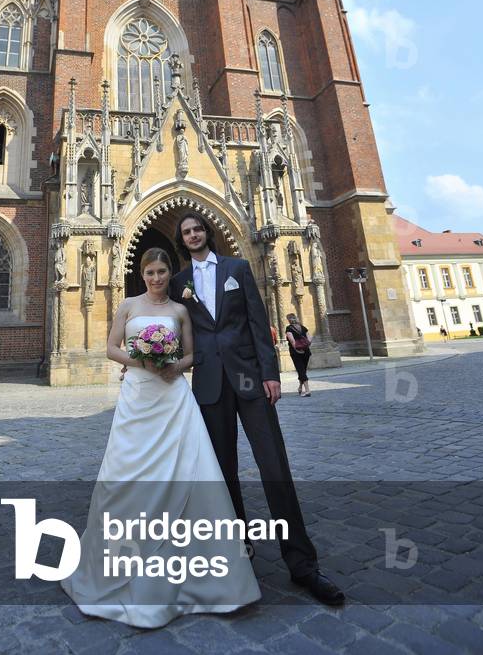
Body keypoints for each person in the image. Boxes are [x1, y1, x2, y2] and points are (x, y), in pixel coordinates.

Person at [60, 247, 261, 628]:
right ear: (142, 273)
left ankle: (204, 577)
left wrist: (173, 365)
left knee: (190, 468)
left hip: (172, 397)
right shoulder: (128, 305)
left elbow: (192, 353)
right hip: (139, 397)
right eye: (150, 272)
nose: (156, 277)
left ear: (171, 274)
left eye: (162, 271)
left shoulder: (180, 310)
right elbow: (111, 348)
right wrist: (145, 361)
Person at [170, 211, 344, 606]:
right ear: (181, 240)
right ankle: (237, 552)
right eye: (187, 232)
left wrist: (271, 373)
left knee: (274, 467)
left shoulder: (237, 267)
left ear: (207, 232)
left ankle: (302, 564)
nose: (194, 235)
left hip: (250, 379)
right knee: (222, 473)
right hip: (210, 384)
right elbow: (180, 336)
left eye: (198, 229)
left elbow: (256, 320)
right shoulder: (180, 283)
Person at [285, 313, 312, 396]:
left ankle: (307, 391)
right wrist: (306, 346)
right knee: (303, 370)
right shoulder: (303, 327)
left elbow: (292, 341)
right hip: (306, 351)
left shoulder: (289, 329)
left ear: (289, 320)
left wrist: (297, 350)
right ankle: (300, 387)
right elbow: (310, 339)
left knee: (301, 370)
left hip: (296, 353)